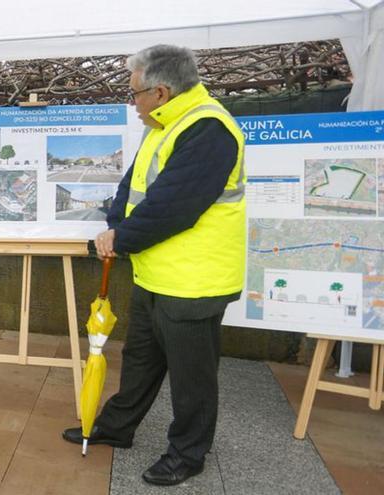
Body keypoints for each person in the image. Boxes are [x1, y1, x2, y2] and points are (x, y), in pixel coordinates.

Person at [61, 45, 246, 486]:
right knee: (141, 358)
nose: (133, 103)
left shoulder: (208, 129)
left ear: (160, 92)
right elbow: (134, 186)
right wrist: (113, 223)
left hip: (195, 280)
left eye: (135, 94)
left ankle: (188, 452)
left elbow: (172, 207)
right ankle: (117, 427)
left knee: (191, 376)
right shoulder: (164, 123)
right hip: (156, 272)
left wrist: (119, 238)